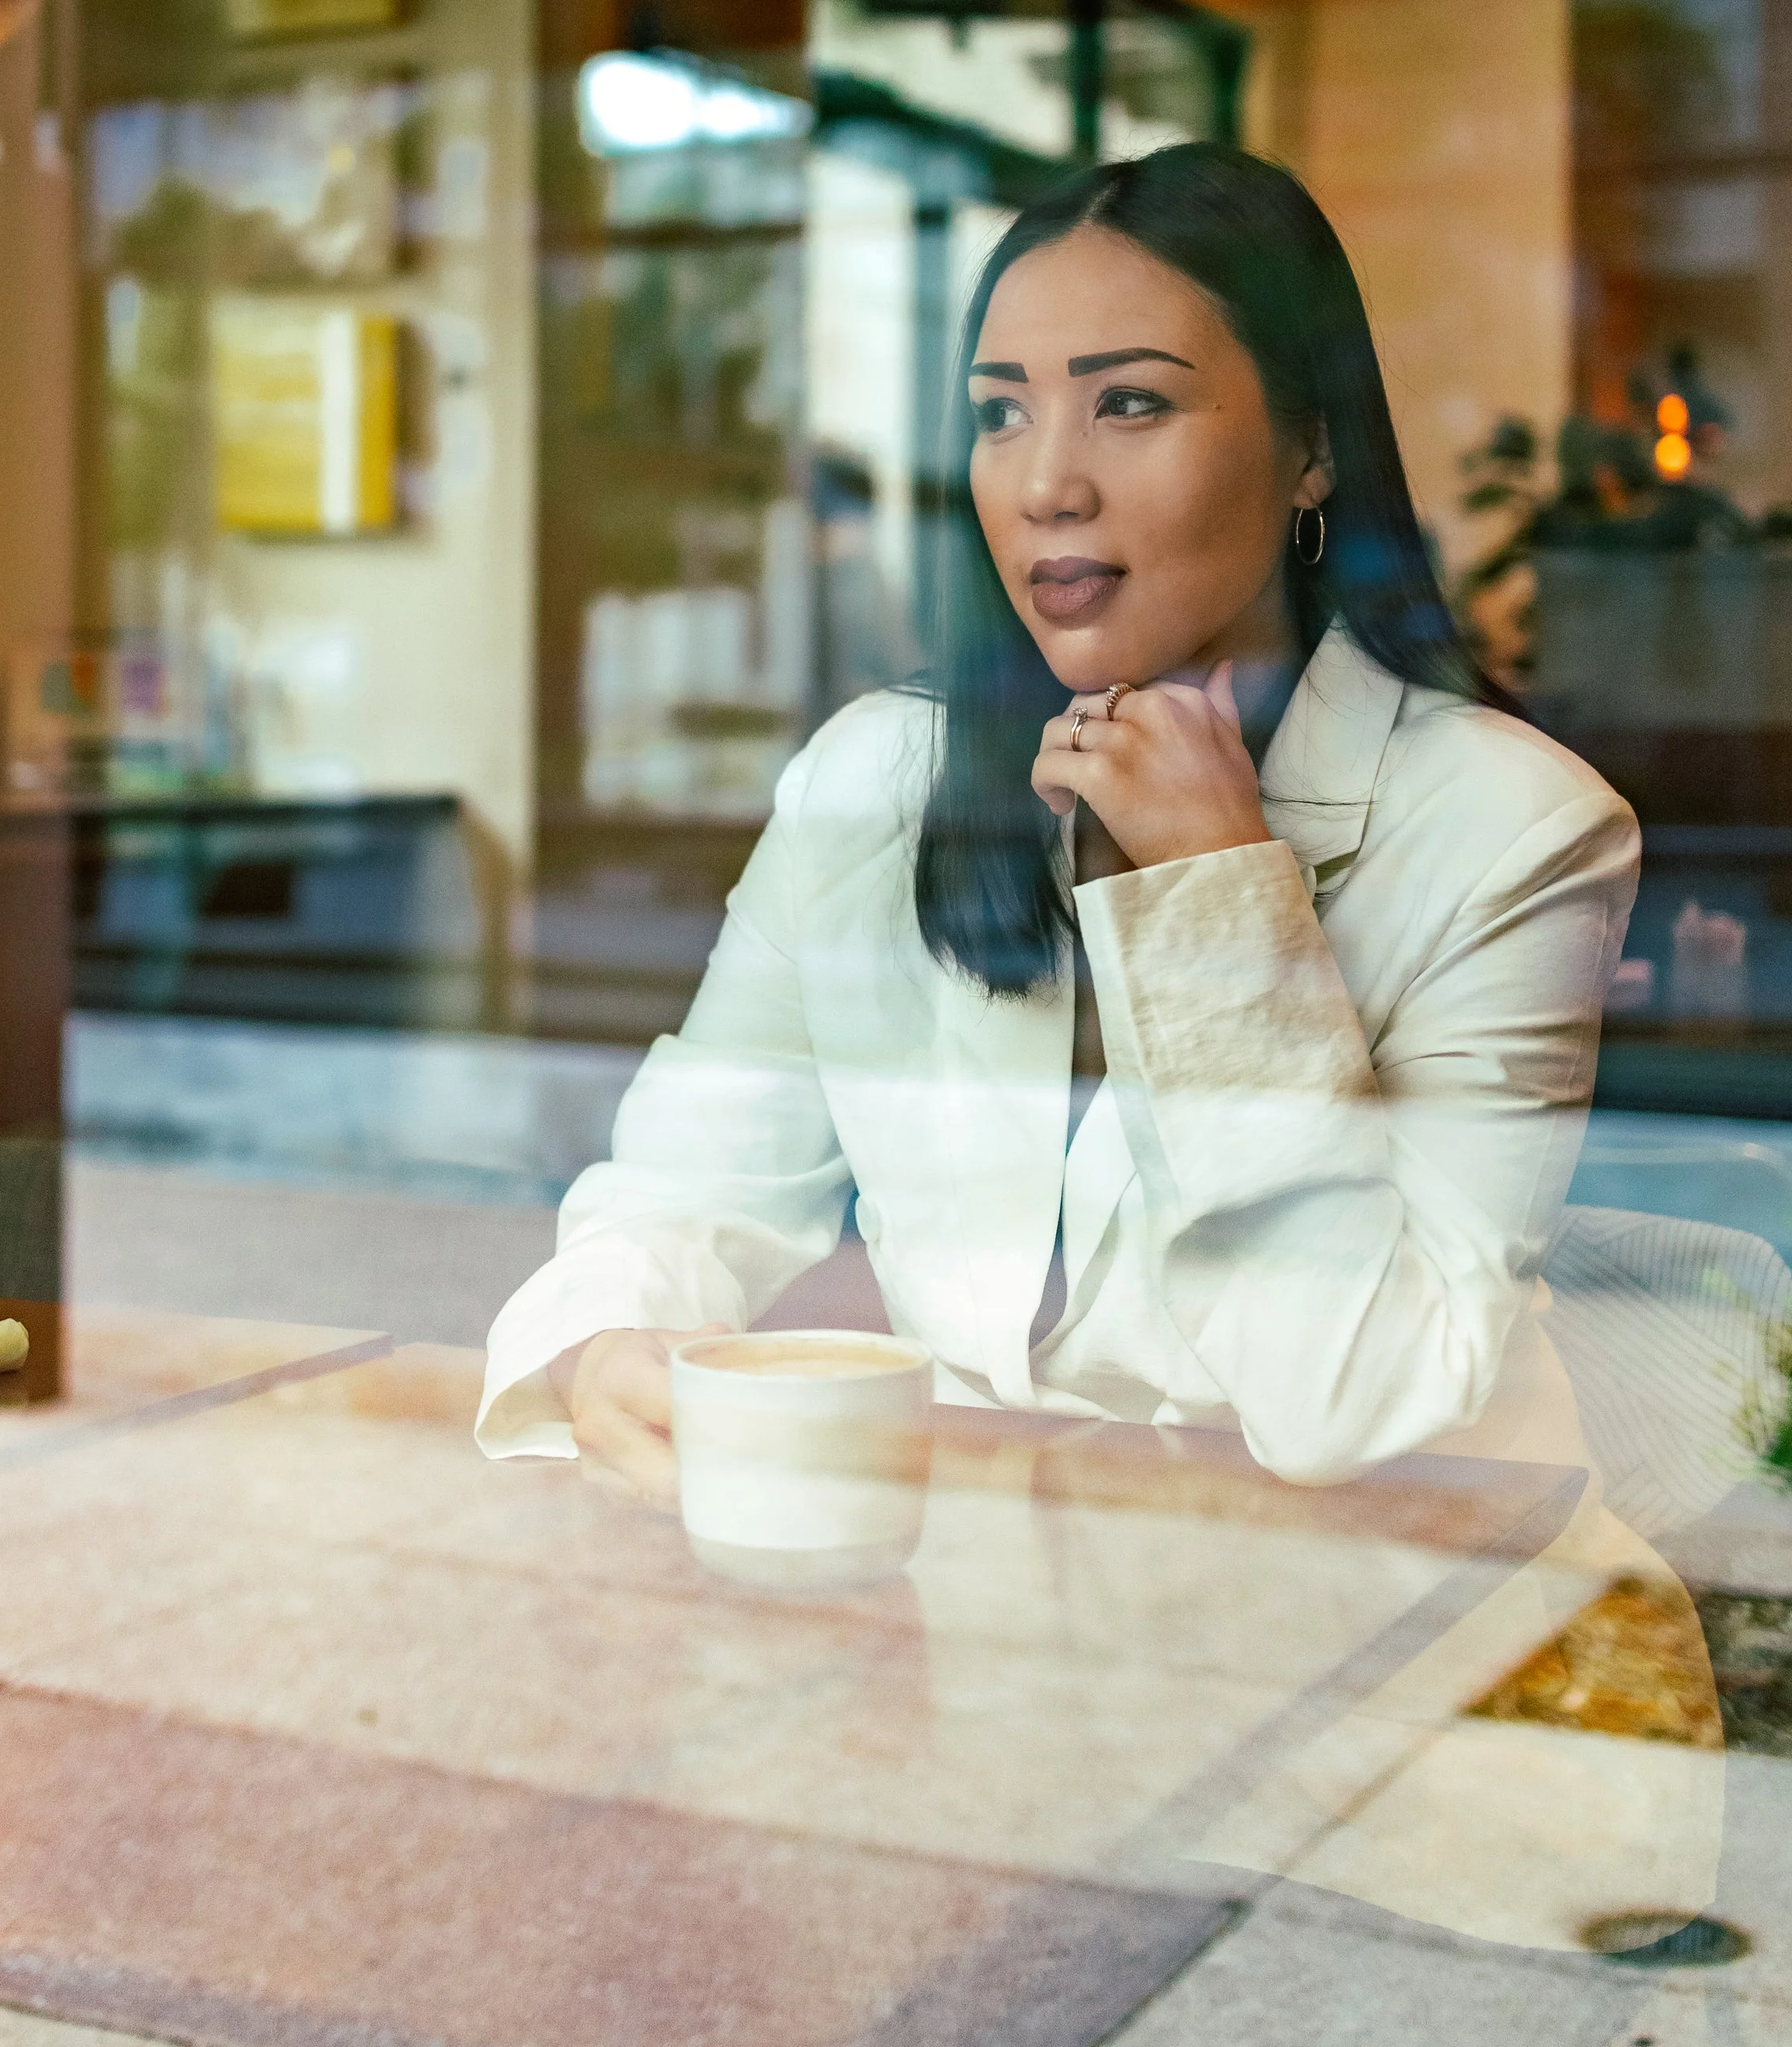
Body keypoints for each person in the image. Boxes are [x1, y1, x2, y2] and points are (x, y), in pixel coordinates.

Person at [478, 141, 1641, 1503]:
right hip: (1002, 1615)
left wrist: (1218, 895)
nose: (1046, 484)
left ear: (1312, 445)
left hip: (1413, 1621)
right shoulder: (872, 780)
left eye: (1131, 403)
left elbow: (1352, 1396)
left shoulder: (1517, 829)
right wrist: (608, 1339)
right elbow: (683, 1187)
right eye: (1000, 413)